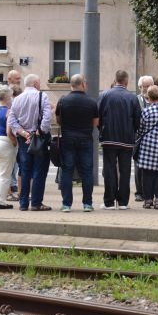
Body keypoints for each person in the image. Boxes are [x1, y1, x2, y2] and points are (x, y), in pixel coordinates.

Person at [7, 74, 52, 211]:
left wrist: (23, 133)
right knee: (39, 170)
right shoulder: (42, 96)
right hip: (39, 138)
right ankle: (36, 202)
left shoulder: (17, 99)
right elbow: (47, 116)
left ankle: (23, 203)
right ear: (36, 83)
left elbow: (11, 120)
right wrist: (39, 131)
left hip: (23, 138)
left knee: (25, 170)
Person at [55, 74, 99, 212]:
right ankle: (87, 204)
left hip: (67, 139)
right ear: (83, 84)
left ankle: (66, 204)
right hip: (85, 139)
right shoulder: (92, 102)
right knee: (86, 172)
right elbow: (95, 123)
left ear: (71, 85)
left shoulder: (63, 101)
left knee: (67, 171)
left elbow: (58, 120)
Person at [97, 70, 141, 210]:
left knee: (109, 169)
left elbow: (98, 116)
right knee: (125, 170)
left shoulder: (104, 95)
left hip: (108, 137)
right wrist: (133, 132)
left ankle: (109, 202)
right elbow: (138, 119)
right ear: (126, 81)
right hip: (127, 139)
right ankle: (123, 202)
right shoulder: (132, 97)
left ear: (115, 80)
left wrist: (102, 130)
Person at [134, 75, 155, 202]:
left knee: (153, 167)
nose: (145, 89)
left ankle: (150, 192)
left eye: (148, 86)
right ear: (139, 87)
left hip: (154, 138)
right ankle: (139, 192)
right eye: (143, 86)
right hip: (140, 138)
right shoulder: (136, 100)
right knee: (138, 166)